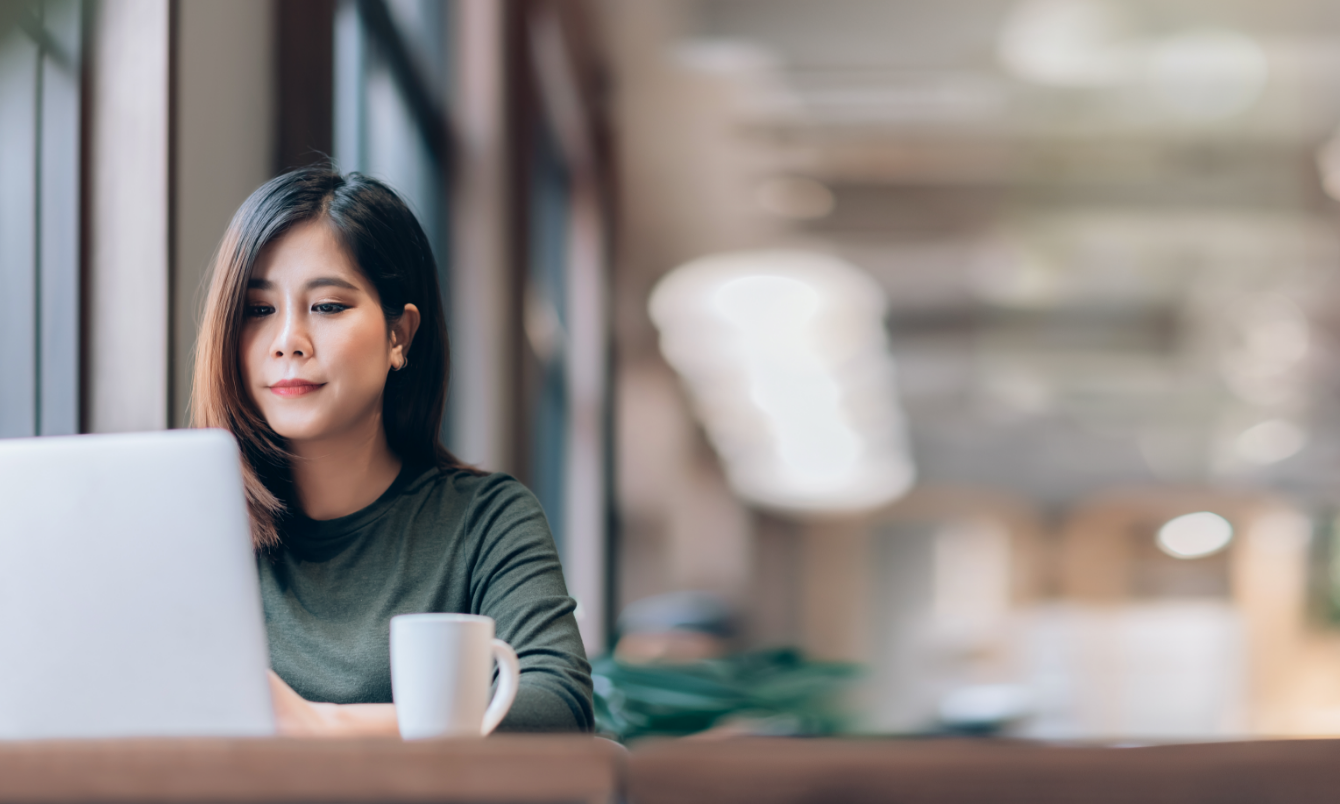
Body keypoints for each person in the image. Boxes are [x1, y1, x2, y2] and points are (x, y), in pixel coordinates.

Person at [190, 166, 592, 735]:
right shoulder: (194, 534)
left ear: (398, 336)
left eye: (327, 307)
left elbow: (558, 707)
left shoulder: (486, 521)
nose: (288, 343)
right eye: (259, 311)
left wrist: (329, 728)